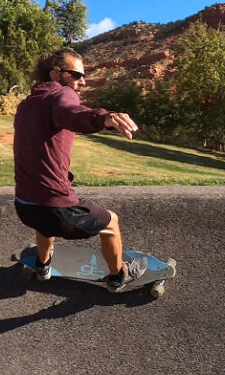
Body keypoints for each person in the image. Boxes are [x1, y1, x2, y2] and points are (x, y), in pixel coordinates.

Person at [13, 49, 148, 291]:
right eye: (76, 75)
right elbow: (72, 112)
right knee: (111, 222)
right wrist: (103, 118)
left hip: (24, 205)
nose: (82, 82)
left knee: (43, 220)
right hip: (57, 210)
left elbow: (65, 116)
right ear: (55, 74)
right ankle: (119, 276)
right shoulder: (60, 95)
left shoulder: (25, 105)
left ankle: (43, 265)